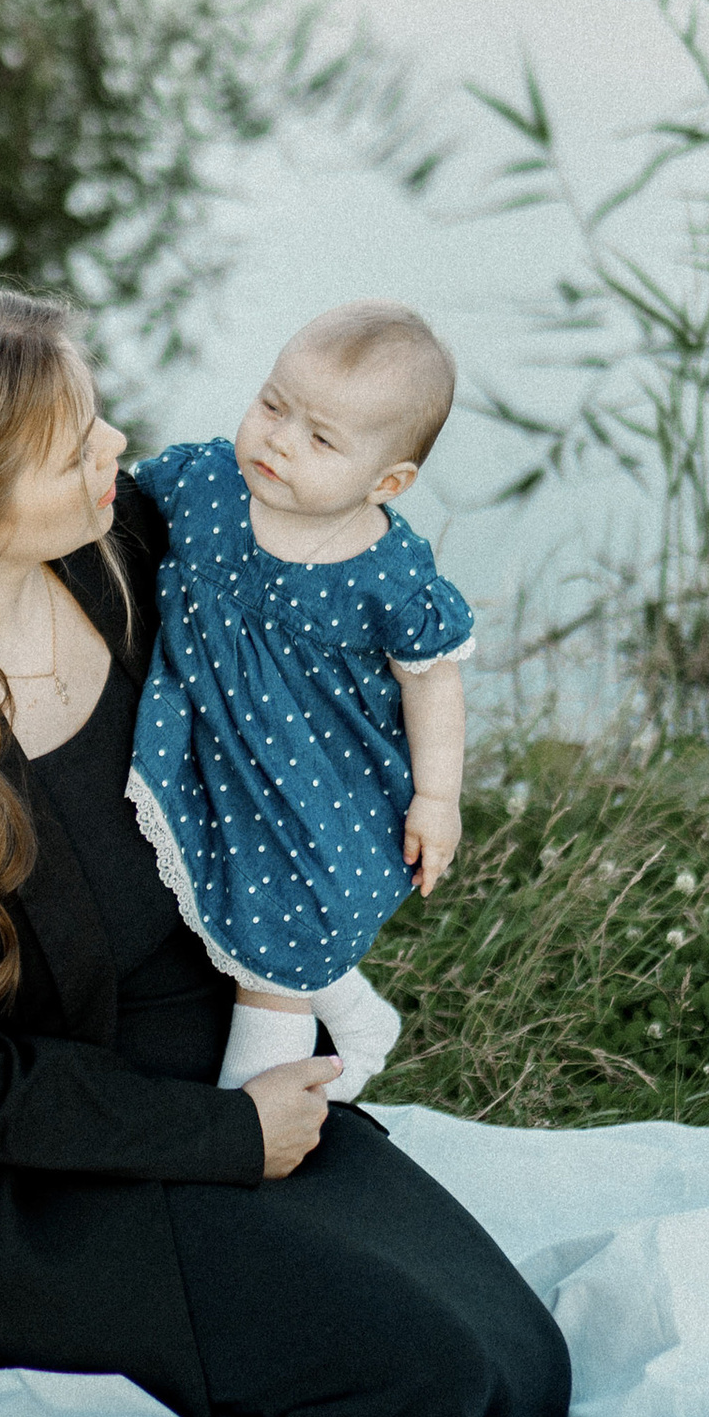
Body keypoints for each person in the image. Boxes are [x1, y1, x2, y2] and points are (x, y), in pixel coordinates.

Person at [0, 275, 570, 1417]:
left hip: (185, 1046)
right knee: (420, 1389)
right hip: (0, 1161)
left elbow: (335, 587)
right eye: (73, 448)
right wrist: (225, 1139)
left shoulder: (128, 547)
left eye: (96, 415)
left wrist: (404, 795)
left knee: (521, 1375)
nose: (119, 446)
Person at [126, 300, 472, 1109]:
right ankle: (359, 1020)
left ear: (386, 481)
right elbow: (119, 509)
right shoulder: (205, 484)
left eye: (321, 439)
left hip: (323, 781)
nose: (279, 440)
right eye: (273, 404)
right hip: (214, 748)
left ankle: (257, 1120)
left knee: (278, 942)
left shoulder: (386, 572)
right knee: (250, 909)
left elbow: (433, 680)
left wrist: (438, 797)